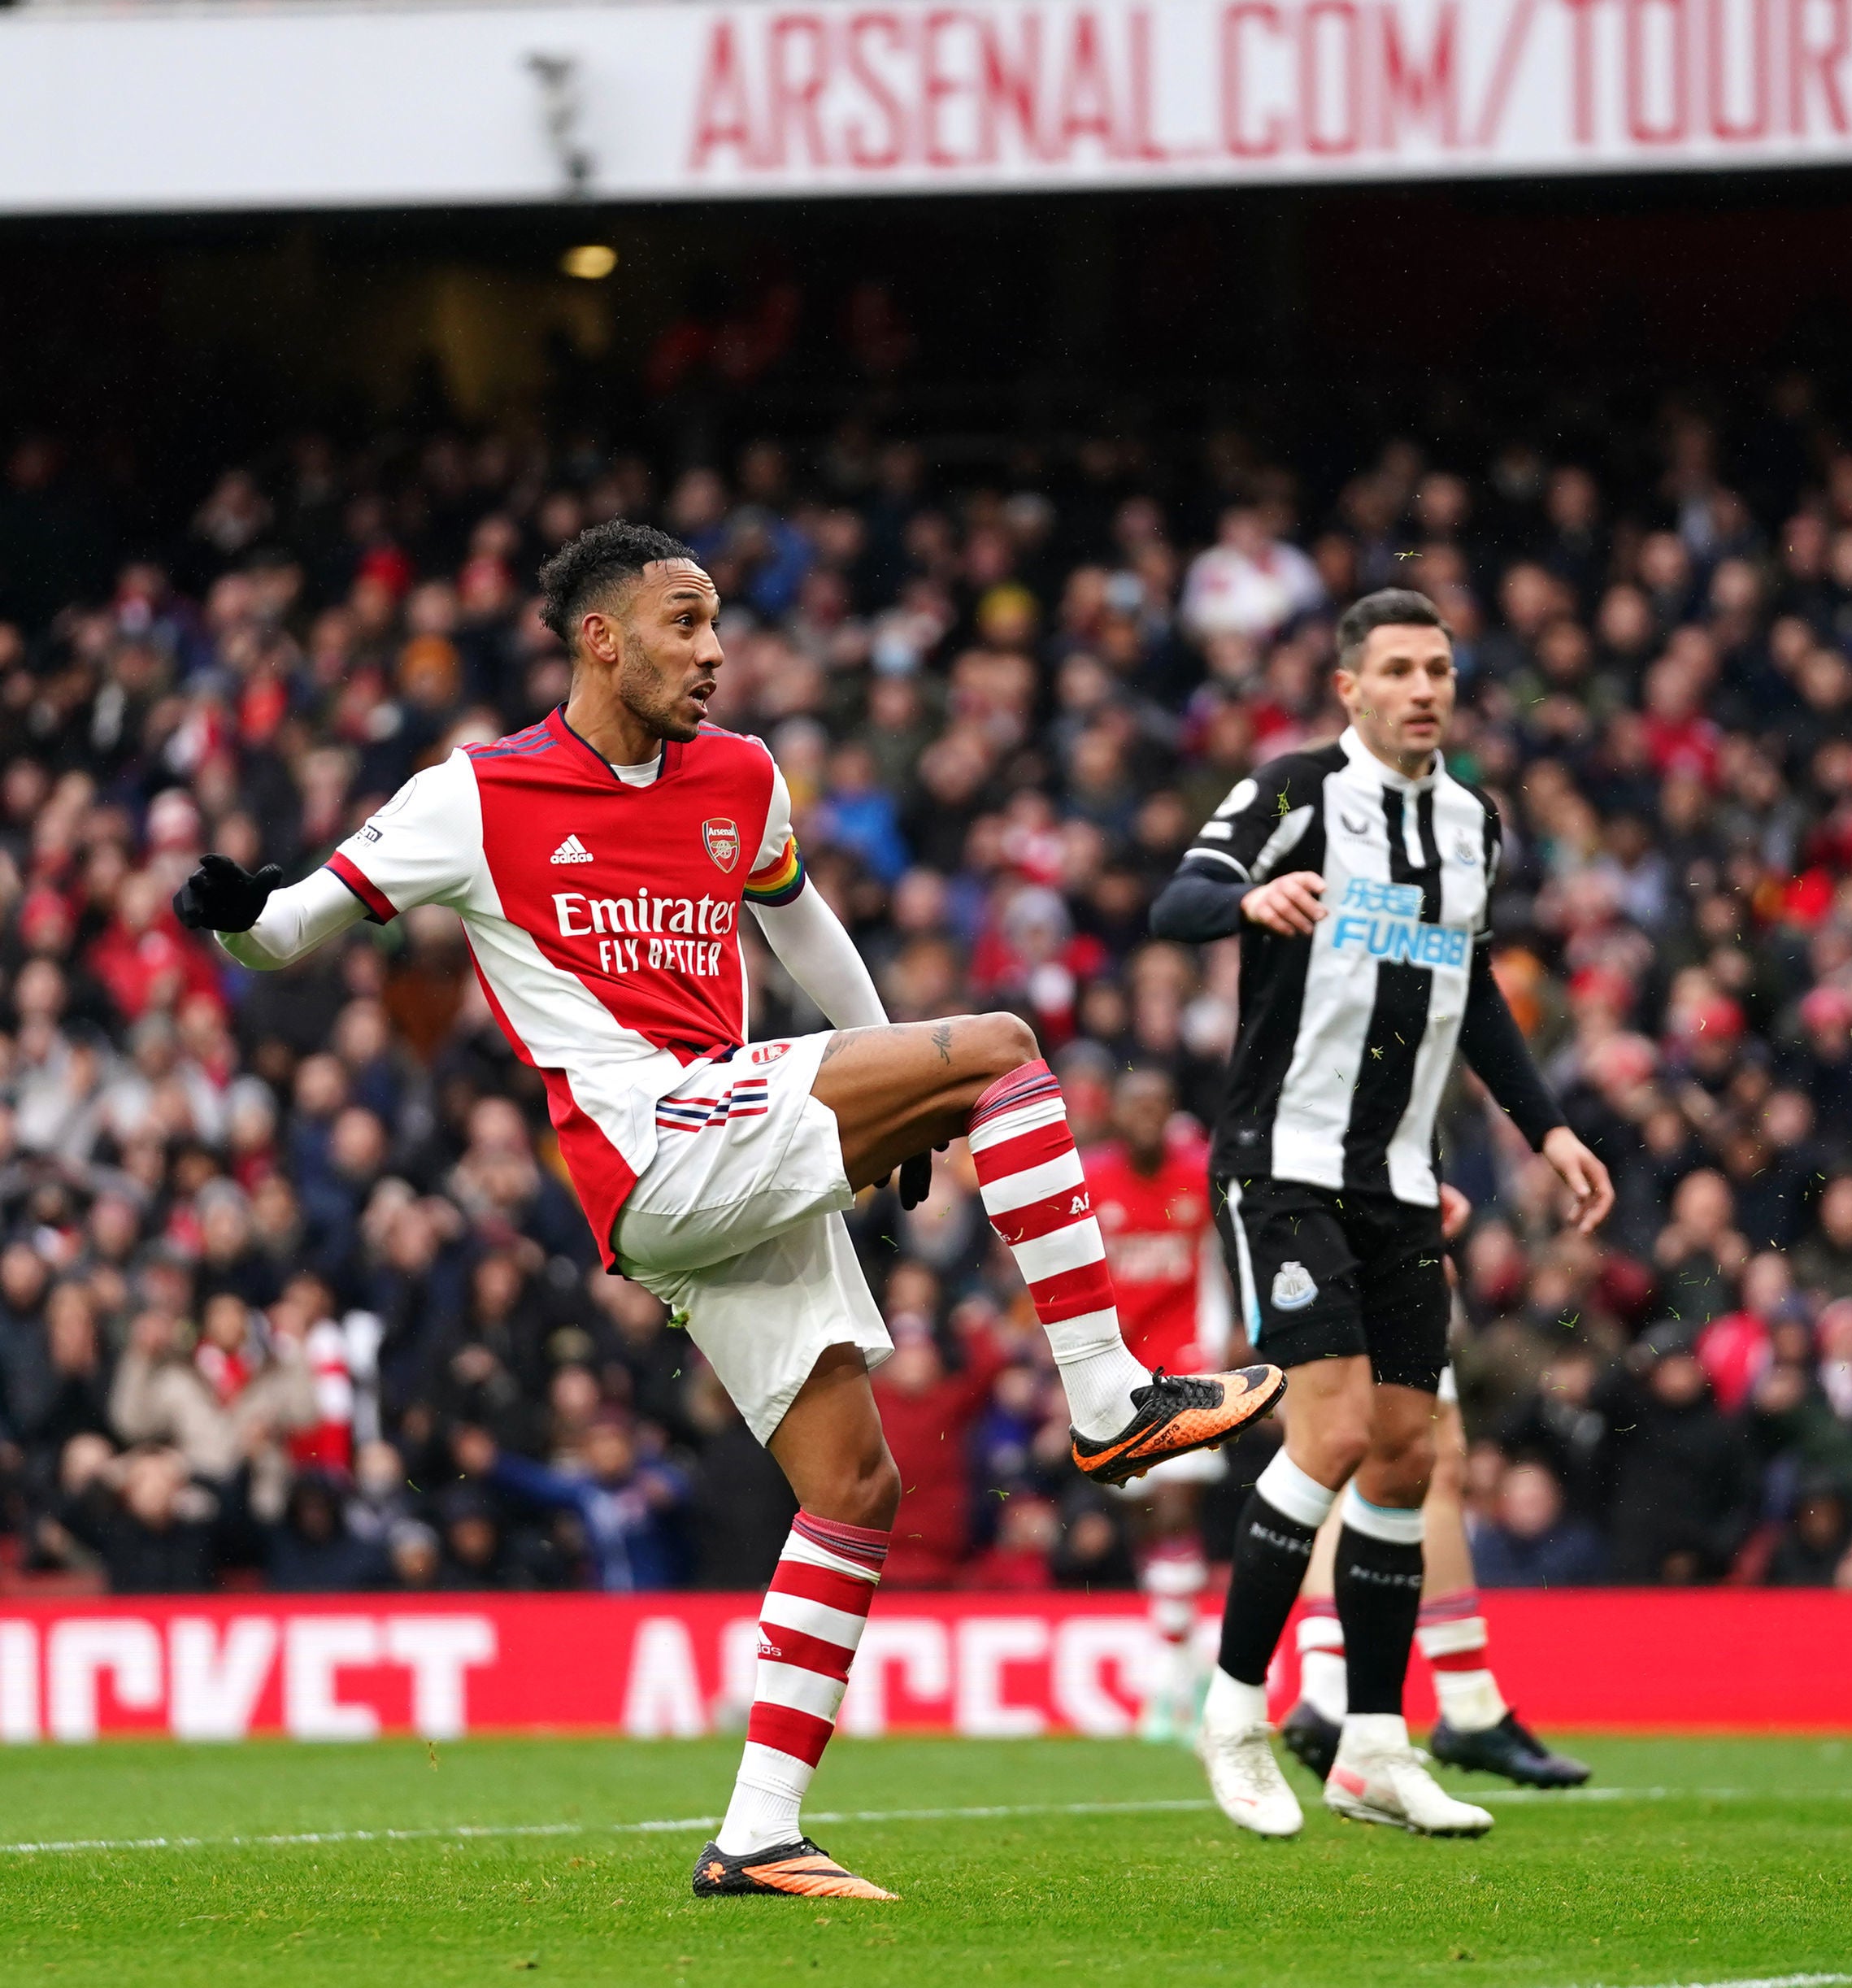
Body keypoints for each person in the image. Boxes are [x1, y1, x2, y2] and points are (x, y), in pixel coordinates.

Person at [172, 520, 1287, 1902]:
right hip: (650, 1140)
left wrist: (904, 1076)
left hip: (736, 1135)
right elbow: (289, 928)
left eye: (717, 627)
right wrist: (230, 916)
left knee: (855, 1489)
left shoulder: (741, 776)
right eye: (684, 625)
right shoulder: (477, 794)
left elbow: (798, 918)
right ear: (602, 639)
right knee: (1004, 1040)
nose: (714, 652)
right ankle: (1111, 1398)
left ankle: (759, 1830)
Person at [1147, 587, 1614, 1839]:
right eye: (1399, 669)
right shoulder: (1294, 792)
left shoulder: (1472, 823)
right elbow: (1174, 900)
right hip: (1284, 1158)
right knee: (1338, 1428)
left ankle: (1371, 1743)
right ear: (1349, 686)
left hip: (1403, 1178)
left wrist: (1549, 1127)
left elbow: (1473, 993)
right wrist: (1246, 901)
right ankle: (1235, 1714)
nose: (1424, 689)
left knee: (1408, 1449)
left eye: (1440, 670)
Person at [1280, 1281, 1593, 1790]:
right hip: (1360, 1248)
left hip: (1341, 1245)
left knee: (1386, 1449)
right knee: (1372, 1445)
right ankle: (1416, 1702)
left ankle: (1343, 1691)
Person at [1083, 1065, 1232, 1736]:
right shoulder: (1093, 1180)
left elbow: (1234, 1249)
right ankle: (1190, 1657)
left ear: (1172, 1110)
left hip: (1191, 1358)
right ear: (1116, 1113)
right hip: (1120, 1363)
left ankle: (1171, 1677)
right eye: (1133, 1104)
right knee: (1145, 1511)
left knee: (1175, 1503)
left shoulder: (1202, 1173)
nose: (1146, 1115)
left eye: (1157, 1104)